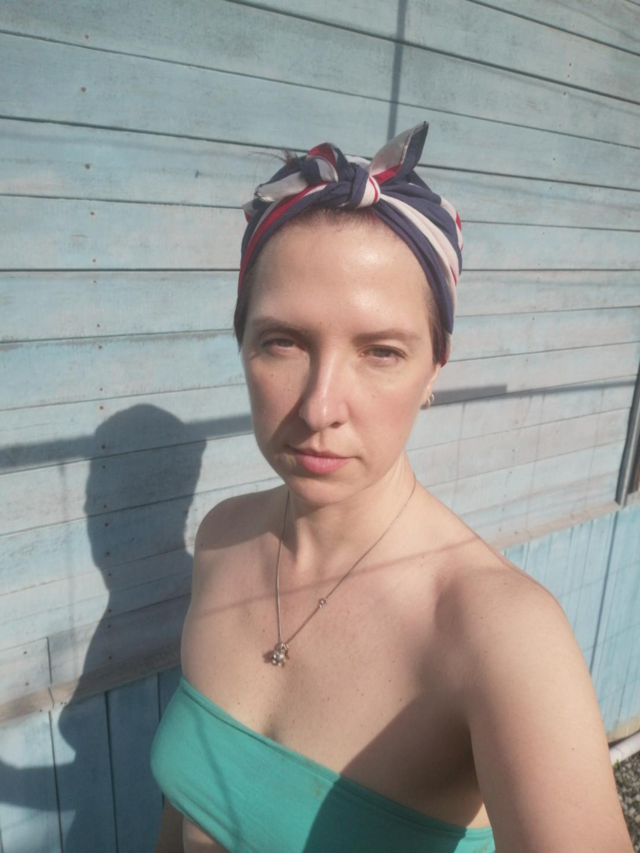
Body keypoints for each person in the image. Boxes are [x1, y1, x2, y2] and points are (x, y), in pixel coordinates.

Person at [151, 123, 632, 852]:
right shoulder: (221, 540)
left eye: (380, 351)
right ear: (241, 343)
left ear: (435, 367)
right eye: (283, 341)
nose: (320, 408)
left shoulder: (498, 635)